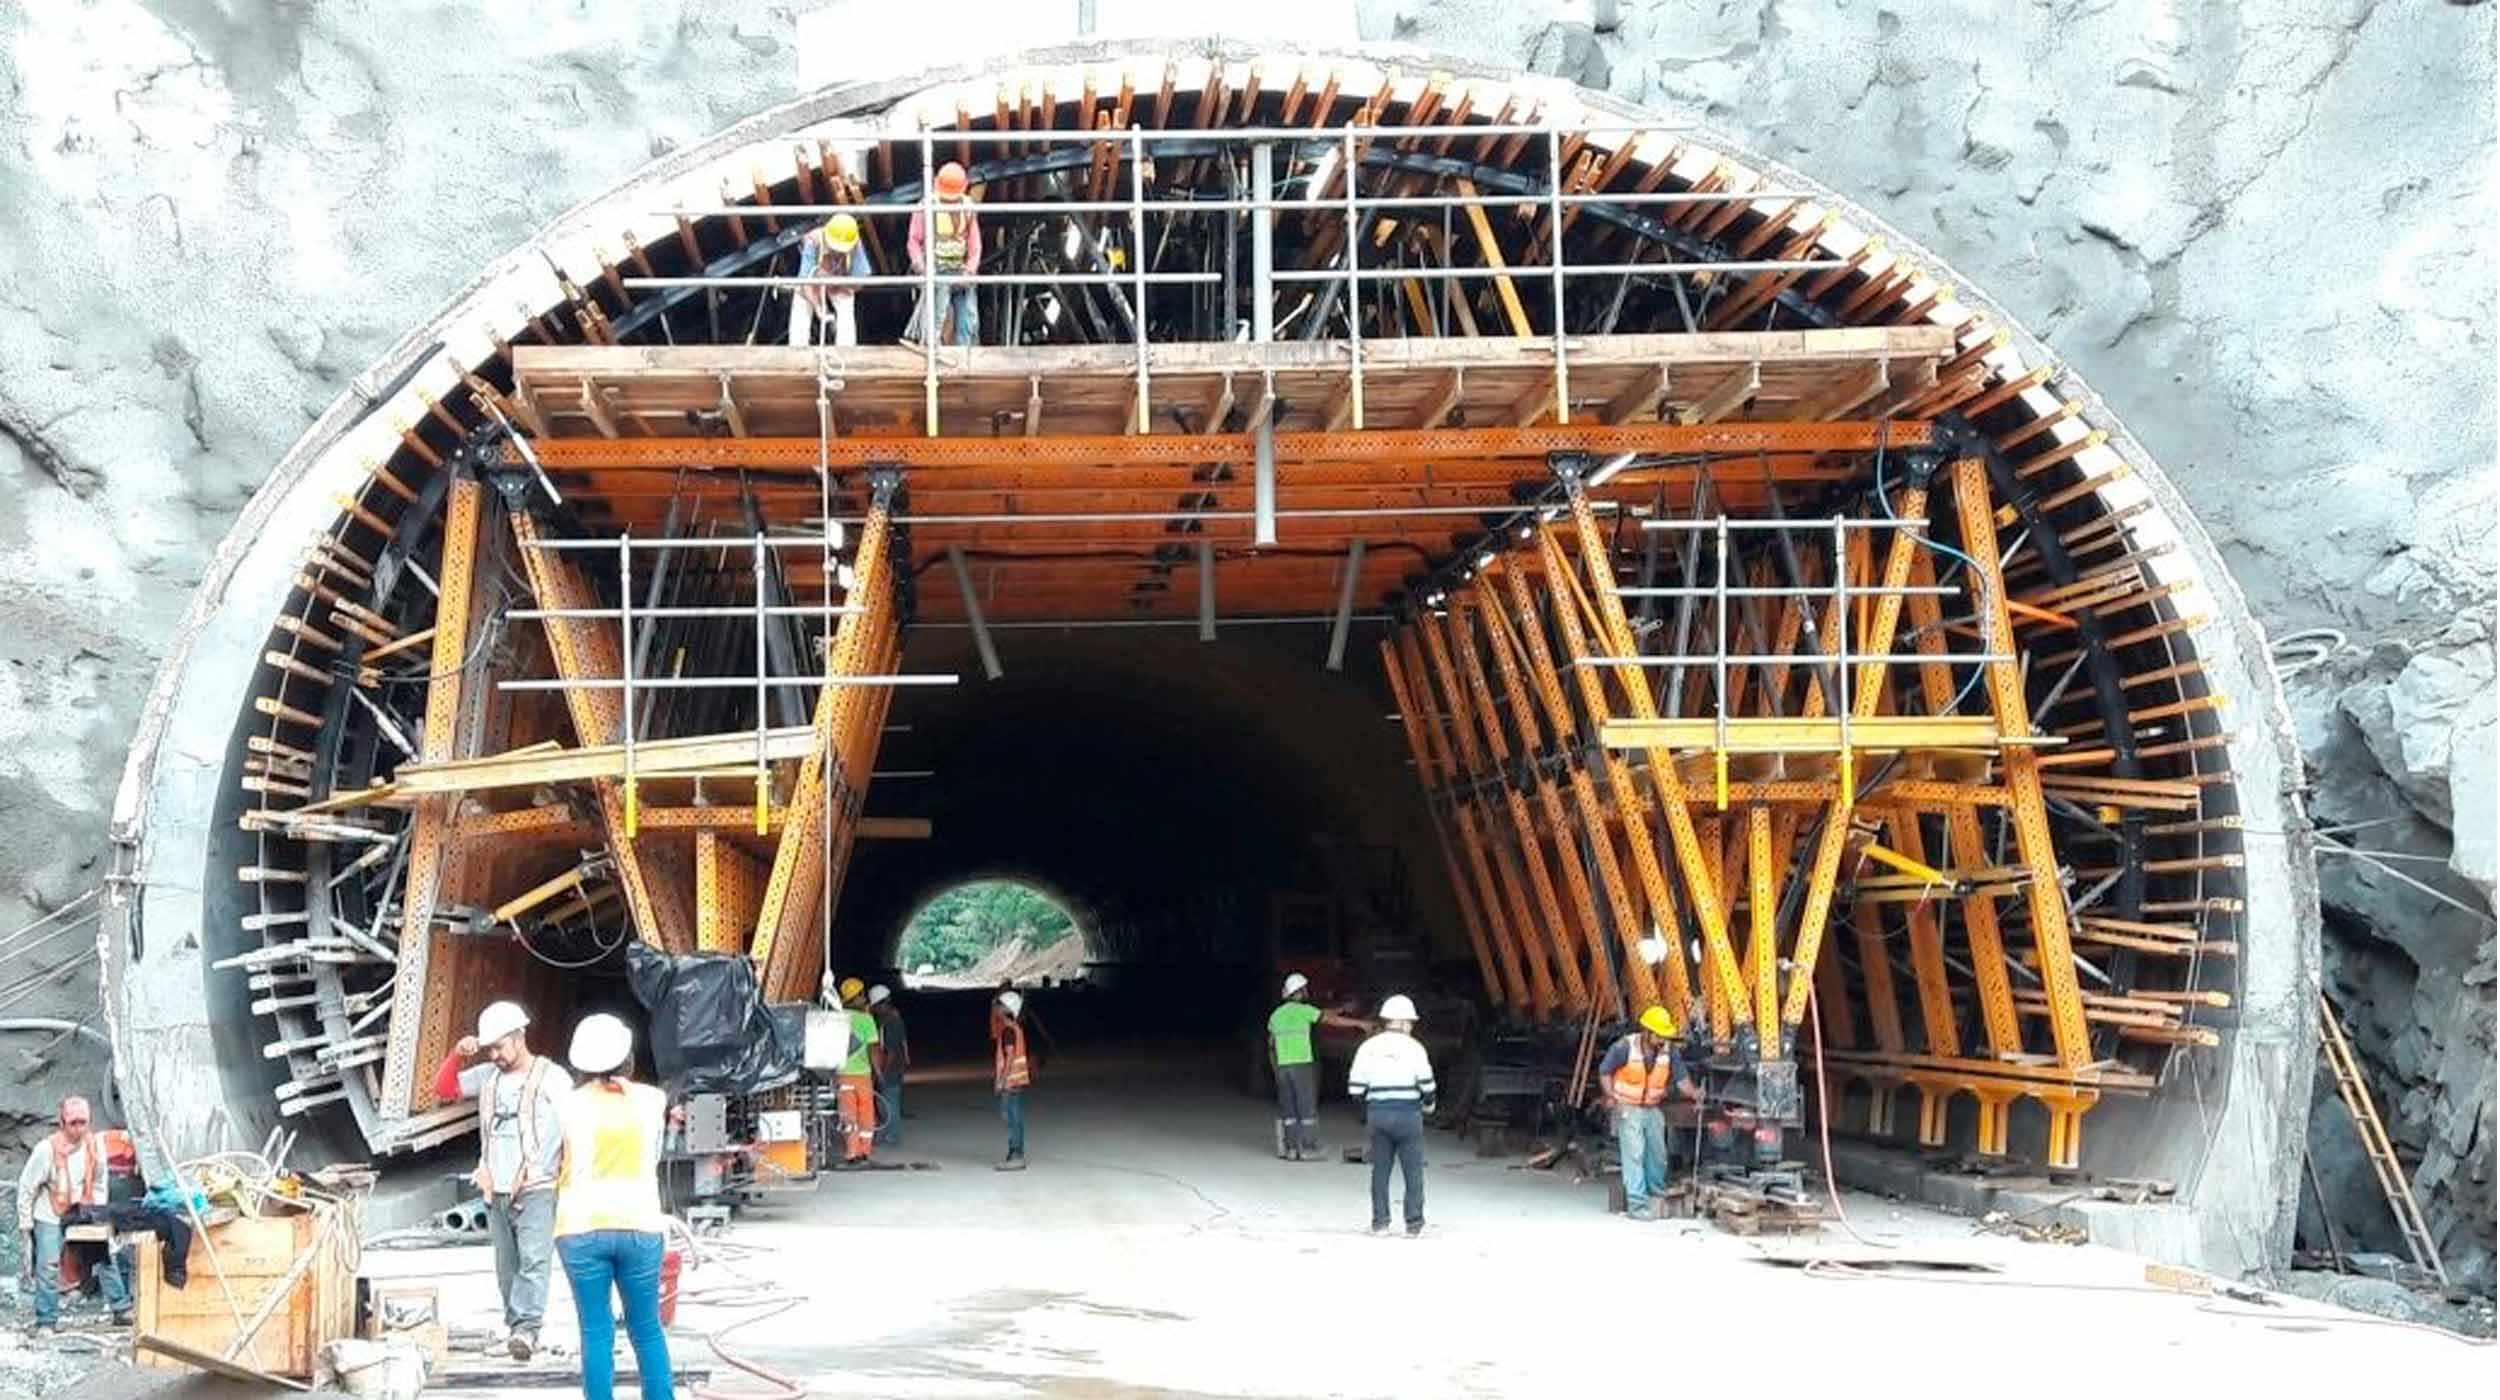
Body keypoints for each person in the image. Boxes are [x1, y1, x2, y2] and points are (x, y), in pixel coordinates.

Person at [433, 999, 569, 1359]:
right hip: (497, 1189)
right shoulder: (488, 1079)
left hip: (537, 1188)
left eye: (499, 1046)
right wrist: (457, 1056)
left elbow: (574, 1128)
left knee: (534, 1261)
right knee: (507, 1265)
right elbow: (444, 1089)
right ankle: (515, 1330)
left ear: (520, 1036)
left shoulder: (552, 1078)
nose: (494, 1054)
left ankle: (528, 1329)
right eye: (489, 1048)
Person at [552, 1014, 672, 1400]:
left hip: (580, 1227)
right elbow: (652, 1153)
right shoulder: (654, 1101)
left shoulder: (567, 1105)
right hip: (640, 1223)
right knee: (647, 1329)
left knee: (595, 1330)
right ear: (627, 1058)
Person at [14, 1095, 130, 1335]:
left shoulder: (94, 1146)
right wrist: (26, 1223)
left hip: (82, 1209)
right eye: (73, 1123)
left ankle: (121, 1309)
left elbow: (100, 1180)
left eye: (83, 1122)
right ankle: (47, 1320)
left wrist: (98, 1211)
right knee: (48, 1266)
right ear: (62, 1123)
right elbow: (27, 1187)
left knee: (104, 1256)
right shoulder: (46, 1150)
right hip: (50, 1212)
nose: (78, 1128)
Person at [1346, 995, 1436, 1237]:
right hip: (1408, 1115)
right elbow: (1427, 1084)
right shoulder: (1415, 1047)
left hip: (1378, 1114)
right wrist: (1428, 1104)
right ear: (1405, 1022)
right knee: (1413, 1172)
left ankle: (1380, 1223)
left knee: (1380, 1171)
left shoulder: (1368, 1047)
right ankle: (1413, 1225)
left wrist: (1368, 1110)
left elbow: (1355, 1088)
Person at [1599, 1005, 1696, 1221]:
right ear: (1647, 1032)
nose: (1663, 1040)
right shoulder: (1624, 1047)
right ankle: (1637, 1205)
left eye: (1665, 1036)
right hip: (1628, 1106)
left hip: (1652, 1108)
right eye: (1659, 1036)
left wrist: (1695, 1093)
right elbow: (1604, 1071)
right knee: (1634, 1154)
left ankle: (1657, 1193)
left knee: (1658, 1154)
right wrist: (1611, 1097)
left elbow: (1681, 1080)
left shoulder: (1669, 1051)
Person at [905, 160, 981, 347]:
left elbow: (974, 243)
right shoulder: (927, 207)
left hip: (960, 269)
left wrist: (970, 270)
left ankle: (965, 354)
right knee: (937, 315)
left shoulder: (968, 208)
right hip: (936, 268)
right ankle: (932, 349)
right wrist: (920, 266)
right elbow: (913, 240)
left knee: (967, 317)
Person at [1267, 973, 1325, 1161]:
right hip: (1301, 1065)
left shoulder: (1276, 1015)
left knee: (1289, 1110)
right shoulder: (1304, 1011)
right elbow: (1328, 1018)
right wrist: (1359, 1023)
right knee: (1306, 1108)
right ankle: (1307, 1149)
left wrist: (1275, 1068)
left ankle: (1291, 1149)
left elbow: (1271, 1044)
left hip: (1283, 1067)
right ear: (1300, 993)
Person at [788, 213, 869, 348]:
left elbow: (860, 282)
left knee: (846, 301)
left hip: (840, 282)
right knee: (801, 299)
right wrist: (820, 309)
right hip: (813, 282)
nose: (837, 252)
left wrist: (836, 281)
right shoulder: (813, 241)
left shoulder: (855, 244)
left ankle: (846, 350)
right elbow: (804, 282)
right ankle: (797, 348)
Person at [832, 977, 880, 1165]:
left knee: (847, 1115)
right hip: (862, 1075)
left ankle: (851, 1152)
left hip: (842, 1074)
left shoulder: (837, 1018)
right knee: (866, 1113)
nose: (865, 998)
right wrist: (878, 1072)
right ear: (858, 996)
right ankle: (864, 1151)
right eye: (863, 994)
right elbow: (873, 1049)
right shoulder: (866, 1019)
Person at [993, 990, 1032, 1171]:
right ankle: (1016, 1153)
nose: (996, 1008)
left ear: (1007, 1009)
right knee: (1014, 1116)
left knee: (1011, 1117)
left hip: (1010, 1082)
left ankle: (1016, 1154)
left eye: (999, 1005)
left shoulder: (1009, 1031)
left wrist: (1001, 1080)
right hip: (1016, 1081)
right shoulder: (1016, 1029)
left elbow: (1009, 1058)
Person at [866, 984, 909, 1149]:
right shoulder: (892, 1018)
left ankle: (892, 1136)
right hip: (895, 1066)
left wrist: (882, 1072)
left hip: (891, 1069)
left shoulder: (891, 1023)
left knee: (889, 1103)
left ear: (883, 1004)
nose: (875, 1010)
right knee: (887, 1102)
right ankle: (888, 1134)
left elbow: (890, 1051)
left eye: (876, 1006)